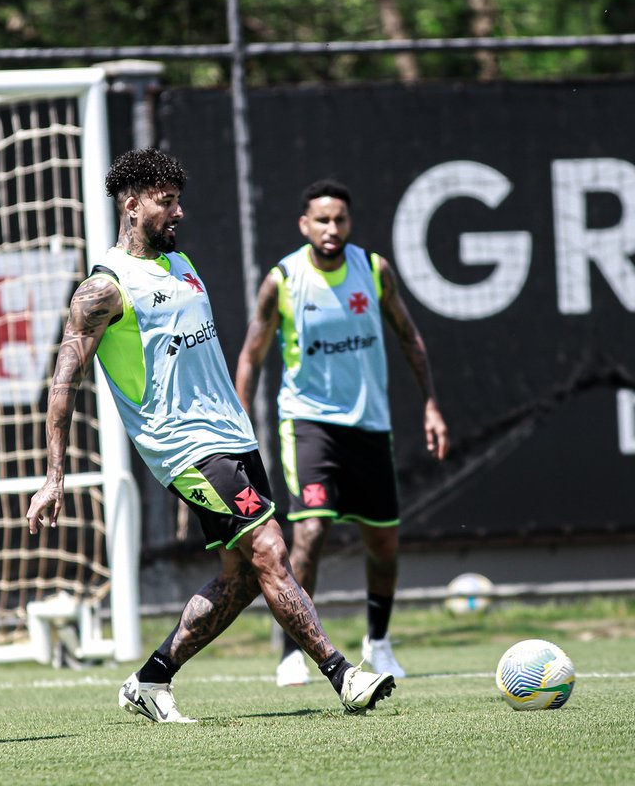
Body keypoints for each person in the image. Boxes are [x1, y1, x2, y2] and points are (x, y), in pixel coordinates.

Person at [27, 149, 395, 723]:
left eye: (178, 200)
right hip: (185, 447)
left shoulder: (180, 263)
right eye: (165, 202)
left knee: (243, 576)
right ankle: (341, 674)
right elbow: (62, 383)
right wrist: (54, 478)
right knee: (271, 548)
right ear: (131, 205)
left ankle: (151, 680)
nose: (179, 212)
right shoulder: (102, 290)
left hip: (233, 438)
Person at [235, 178, 448, 688]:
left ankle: (379, 642)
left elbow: (408, 335)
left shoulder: (372, 271)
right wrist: (239, 427)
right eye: (322, 220)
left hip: (370, 424)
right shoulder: (283, 279)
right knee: (309, 532)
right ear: (304, 224)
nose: (332, 229)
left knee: (384, 543)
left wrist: (431, 404)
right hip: (309, 423)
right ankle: (293, 650)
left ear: (349, 224)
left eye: (341, 220)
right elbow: (251, 356)